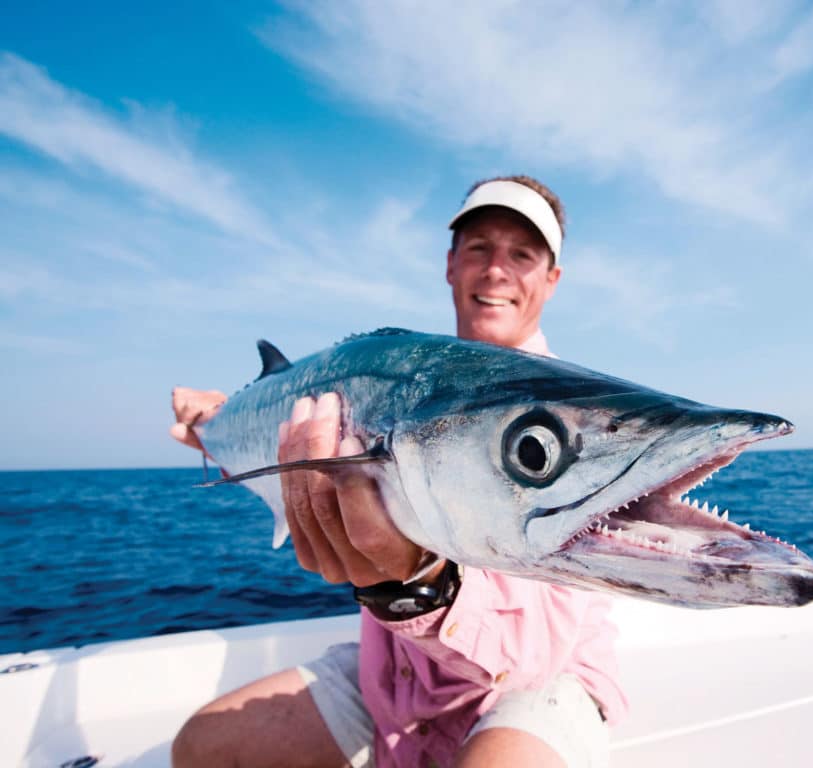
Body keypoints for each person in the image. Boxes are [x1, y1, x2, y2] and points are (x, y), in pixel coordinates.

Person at [169, 176, 627, 768]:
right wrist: (215, 423)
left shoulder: (571, 420)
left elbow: (532, 656)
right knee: (204, 749)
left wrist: (412, 585)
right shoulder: (405, 373)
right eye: (479, 248)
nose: (496, 270)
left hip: (542, 682)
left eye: (522, 254)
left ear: (550, 279)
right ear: (451, 265)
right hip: (397, 671)